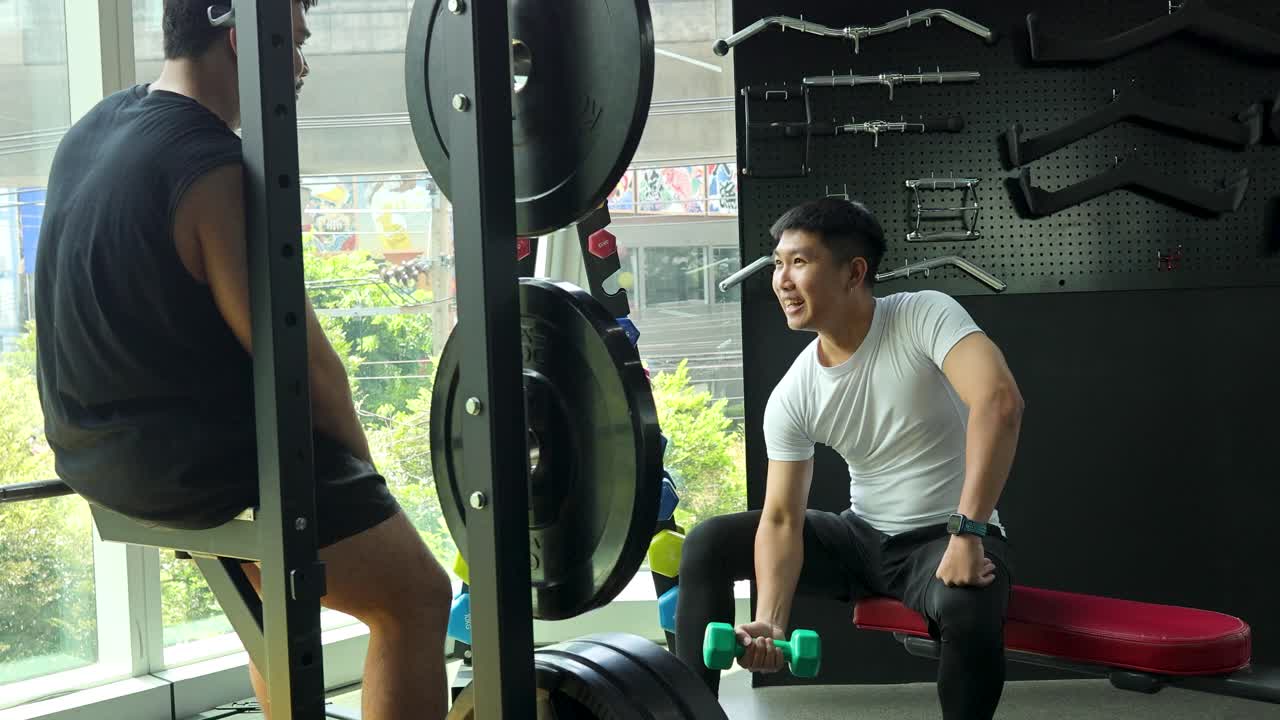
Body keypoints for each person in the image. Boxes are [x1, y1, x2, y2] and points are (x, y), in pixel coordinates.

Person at [33, 2, 451, 718]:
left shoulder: (94, 128)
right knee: (416, 595)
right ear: (241, 39)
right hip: (191, 473)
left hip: (91, 457)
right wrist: (368, 483)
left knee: (277, 607)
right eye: (293, 45)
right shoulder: (210, 169)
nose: (301, 68)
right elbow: (304, 363)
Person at [674, 197, 1025, 720]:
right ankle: (691, 714)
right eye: (778, 264)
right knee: (709, 543)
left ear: (854, 272)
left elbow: (998, 402)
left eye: (800, 261)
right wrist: (771, 621)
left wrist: (968, 532)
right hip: (860, 539)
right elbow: (781, 518)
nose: (782, 280)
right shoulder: (796, 392)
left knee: (965, 604)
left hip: (944, 539)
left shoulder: (922, 315)